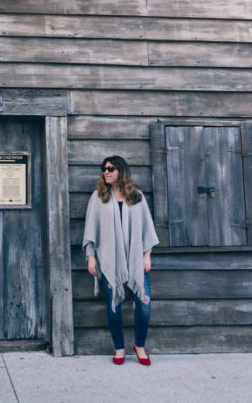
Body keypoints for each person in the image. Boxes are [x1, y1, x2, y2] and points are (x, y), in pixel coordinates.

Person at [82, 155, 159, 365]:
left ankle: (140, 345)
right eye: (104, 168)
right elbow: (91, 230)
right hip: (110, 261)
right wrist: (91, 258)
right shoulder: (98, 197)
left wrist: (146, 255)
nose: (106, 171)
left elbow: (147, 229)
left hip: (136, 260)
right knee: (113, 305)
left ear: (121, 172)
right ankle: (119, 348)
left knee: (144, 304)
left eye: (111, 168)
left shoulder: (137, 197)